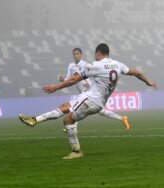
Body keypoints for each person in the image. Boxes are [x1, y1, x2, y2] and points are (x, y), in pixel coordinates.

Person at [18, 43, 157, 160]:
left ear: (98, 53)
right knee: (65, 107)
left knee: (68, 120)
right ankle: (34, 120)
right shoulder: (118, 65)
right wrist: (148, 82)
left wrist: (56, 87)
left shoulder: (96, 65)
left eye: (95, 54)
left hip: (91, 99)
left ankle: (76, 151)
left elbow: (73, 80)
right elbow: (137, 73)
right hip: (97, 101)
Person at [58, 48, 130, 132]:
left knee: (75, 109)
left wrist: (89, 83)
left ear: (81, 55)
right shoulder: (71, 66)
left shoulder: (86, 64)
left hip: (88, 91)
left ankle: (70, 128)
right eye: (74, 54)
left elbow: (93, 76)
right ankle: (122, 118)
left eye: (77, 53)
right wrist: (63, 80)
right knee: (99, 111)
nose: (76, 55)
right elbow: (68, 79)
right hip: (82, 92)